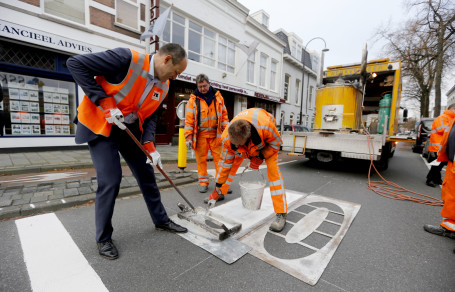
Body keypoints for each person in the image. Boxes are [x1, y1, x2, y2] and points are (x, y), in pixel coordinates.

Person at [67, 43, 188, 260]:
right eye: (176, 71)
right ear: (166, 60)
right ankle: (103, 238)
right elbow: (75, 64)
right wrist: (104, 102)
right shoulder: (126, 59)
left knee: (147, 175)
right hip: (101, 125)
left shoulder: (164, 85)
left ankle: (161, 220)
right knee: (111, 180)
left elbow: (151, 116)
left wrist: (150, 145)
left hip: (127, 129)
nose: (176, 77)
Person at [206, 108, 288, 232]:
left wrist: (260, 157)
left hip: (264, 145)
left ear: (248, 136)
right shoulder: (227, 139)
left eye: (239, 144)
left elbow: (276, 144)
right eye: (235, 145)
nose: (237, 146)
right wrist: (217, 186)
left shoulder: (266, 127)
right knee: (230, 166)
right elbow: (225, 165)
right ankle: (220, 192)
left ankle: (281, 213)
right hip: (247, 147)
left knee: (274, 174)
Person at [184, 74, 229, 193]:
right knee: (201, 160)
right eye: (200, 87)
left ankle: (222, 184)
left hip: (216, 135)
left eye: (204, 86)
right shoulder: (193, 100)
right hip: (201, 136)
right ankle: (203, 182)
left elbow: (224, 116)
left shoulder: (219, 98)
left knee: (220, 161)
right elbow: (189, 120)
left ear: (209, 84)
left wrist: (227, 132)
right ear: (197, 86)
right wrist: (188, 137)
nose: (203, 88)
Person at [423, 118, 455, 239]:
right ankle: (449, 228)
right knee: (451, 197)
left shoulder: (447, 118)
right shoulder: (450, 119)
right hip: (451, 162)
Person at [426, 104, 455, 187]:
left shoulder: (450, 118)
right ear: (452, 109)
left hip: (442, 146)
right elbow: (442, 129)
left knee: (439, 164)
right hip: (438, 146)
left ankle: (436, 179)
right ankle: (430, 179)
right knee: (437, 165)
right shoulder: (443, 117)